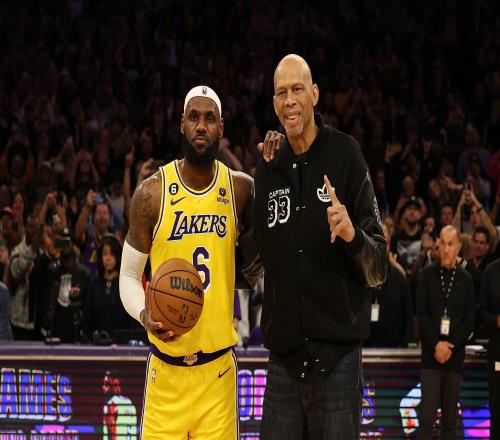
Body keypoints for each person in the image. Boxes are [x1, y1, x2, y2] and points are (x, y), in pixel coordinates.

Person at [254, 54, 387, 439]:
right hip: (283, 362)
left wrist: (351, 235)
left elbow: (379, 266)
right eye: (282, 93)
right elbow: (259, 255)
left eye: (297, 89)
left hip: (338, 362)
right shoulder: (268, 165)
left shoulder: (346, 155)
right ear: (274, 103)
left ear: (314, 94)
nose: (290, 100)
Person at [119, 85, 261, 439]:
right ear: (181, 123)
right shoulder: (151, 194)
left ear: (221, 127)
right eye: (194, 117)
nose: (201, 125)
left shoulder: (241, 190)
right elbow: (128, 276)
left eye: (210, 119)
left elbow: (258, 263)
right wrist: (144, 314)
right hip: (166, 373)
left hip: (217, 373)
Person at [416, 225, 475, 440]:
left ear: (459, 248)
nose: (446, 249)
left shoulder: (466, 280)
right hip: (431, 357)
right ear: (438, 246)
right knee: (426, 420)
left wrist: (449, 346)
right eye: (443, 243)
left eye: (451, 244)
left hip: (454, 357)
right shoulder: (426, 275)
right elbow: (421, 315)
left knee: (450, 422)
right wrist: (436, 345)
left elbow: (469, 321)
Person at [84, 234, 137, 340]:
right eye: (105, 254)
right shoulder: (94, 285)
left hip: (122, 343)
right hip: (98, 343)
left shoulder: (125, 284)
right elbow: (87, 318)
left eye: (112, 254)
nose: (108, 258)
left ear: (118, 256)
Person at [479, 258, 500, 440]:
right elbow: (482, 311)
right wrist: (496, 321)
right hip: (498, 353)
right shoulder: (491, 271)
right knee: (497, 408)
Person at [102, 370, 137, 439]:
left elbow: (112, 432)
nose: (103, 387)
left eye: (106, 384)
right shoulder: (130, 403)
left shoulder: (111, 404)